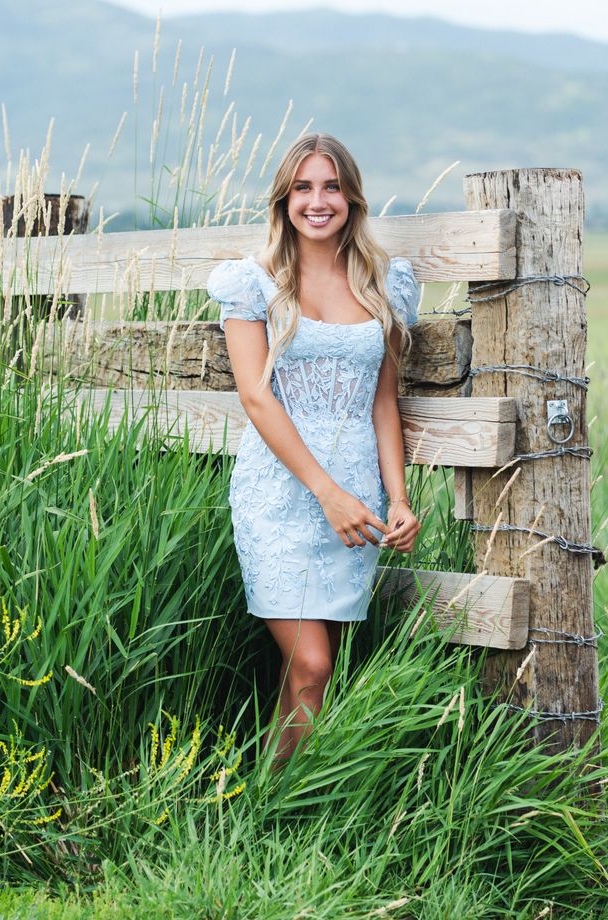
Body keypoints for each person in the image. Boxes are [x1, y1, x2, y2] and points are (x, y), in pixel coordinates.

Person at [206, 132, 421, 766]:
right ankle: (273, 810)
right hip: (282, 492)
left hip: (360, 498)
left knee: (308, 673)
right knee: (311, 661)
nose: (317, 201)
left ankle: (280, 801)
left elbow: (383, 402)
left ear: (352, 197)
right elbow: (256, 399)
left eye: (330, 186)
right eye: (303, 187)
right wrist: (327, 493)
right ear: (284, 198)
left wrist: (400, 498)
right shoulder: (255, 283)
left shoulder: (383, 284)